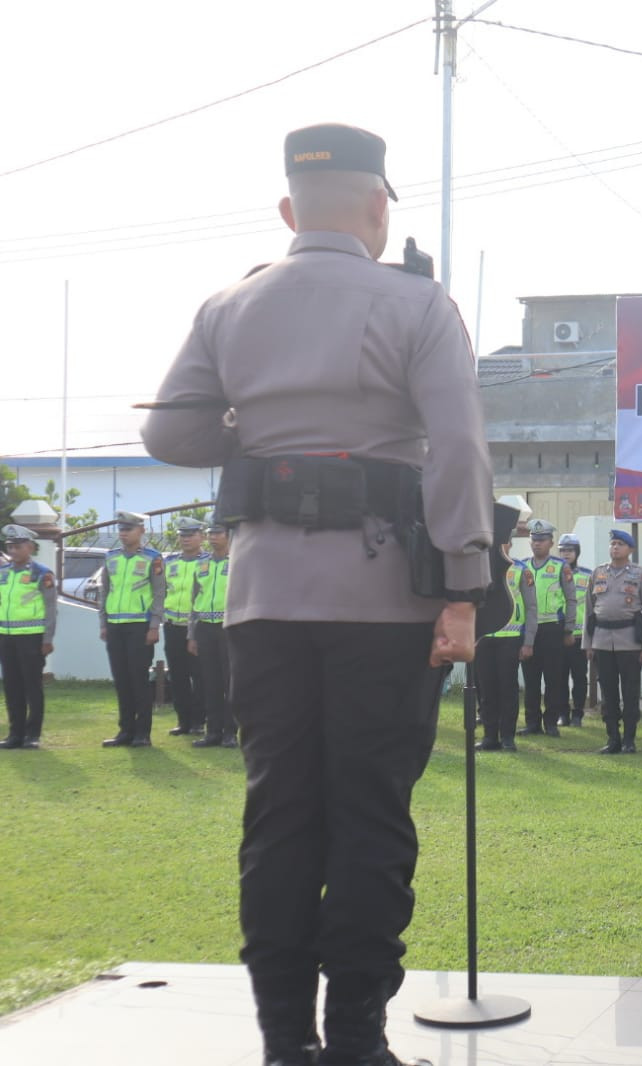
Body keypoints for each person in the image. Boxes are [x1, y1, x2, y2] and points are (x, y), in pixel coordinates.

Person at [142, 122, 490, 1066]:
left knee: (280, 815)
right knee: (371, 816)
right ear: (379, 207)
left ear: (289, 210)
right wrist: (465, 585)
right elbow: (457, 447)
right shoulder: (418, 305)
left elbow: (170, 437)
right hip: (383, 603)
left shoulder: (231, 305)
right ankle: (358, 1044)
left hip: (263, 602)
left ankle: (284, 1042)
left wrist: (258, 428)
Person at [584, 529, 642, 754]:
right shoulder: (598, 573)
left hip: (630, 643)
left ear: (630, 549)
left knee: (630, 692)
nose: (615, 547)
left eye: (620, 544)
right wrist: (588, 644)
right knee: (608, 693)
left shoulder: (640, 574)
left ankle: (629, 739)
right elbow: (589, 610)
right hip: (602, 641)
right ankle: (613, 738)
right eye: (613, 543)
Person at [98, 510, 165, 749]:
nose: (124, 533)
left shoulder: (152, 558)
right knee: (121, 679)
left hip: (140, 626)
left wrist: (154, 625)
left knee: (138, 679)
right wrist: (103, 623)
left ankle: (142, 732)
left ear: (141, 531)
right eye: (121, 529)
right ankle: (125, 730)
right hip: (115, 625)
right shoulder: (111, 557)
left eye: (129, 529)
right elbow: (105, 591)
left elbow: (159, 593)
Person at [517, 519, 576, 737]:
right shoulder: (523, 567)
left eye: (542, 540)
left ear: (551, 542)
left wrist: (569, 629)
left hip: (553, 628)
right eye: (534, 539)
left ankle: (551, 722)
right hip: (529, 632)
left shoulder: (561, 567)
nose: (537, 544)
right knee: (530, 680)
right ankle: (532, 722)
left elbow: (571, 600)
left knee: (553, 679)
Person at [0, 524, 57, 750]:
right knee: (12, 686)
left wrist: (47, 639)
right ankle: (15, 733)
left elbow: (51, 609)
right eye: (9, 546)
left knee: (32, 686)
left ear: (31, 547)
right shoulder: (3, 573)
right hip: (6, 636)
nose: (13, 550)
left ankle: (32, 734)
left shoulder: (42, 573)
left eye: (18, 546)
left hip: (32, 638)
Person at [477, 520, 530, 753]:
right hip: (484, 637)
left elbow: (532, 607)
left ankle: (507, 736)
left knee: (507, 689)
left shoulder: (520, 569)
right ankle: (490, 736)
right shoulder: (479, 567)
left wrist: (528, 641)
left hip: (510, 638)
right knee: (487, 689)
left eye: (503, 541)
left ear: (509, 544)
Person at [187, 516, 238, 748]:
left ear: (228, 535)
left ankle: (230, 732)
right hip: (205, 627)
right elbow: (194, 600)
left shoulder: (238, 562)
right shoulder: (202, 564)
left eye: (218, 533)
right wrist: (192, 634)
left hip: (229, 627)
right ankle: (212, 731)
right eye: (210, 533)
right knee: (210, 681)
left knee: (230, 681)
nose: (213, 537)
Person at [162, 515, 210, 737]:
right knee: (178, 675)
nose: (186, 539)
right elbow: (162, 591)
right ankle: (183, 720)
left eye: (190, 535)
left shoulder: (207, 563)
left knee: (199, 675)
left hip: (198, 627)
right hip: (173, 626)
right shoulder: (170, 562)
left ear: (201, 537)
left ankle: (199, 720)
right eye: (182, 535)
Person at [558, 534, 593, 726]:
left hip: (580, 636)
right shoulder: (554, 573)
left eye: (569, 550)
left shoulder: (587, 576)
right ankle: (562, 713)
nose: (566, 554)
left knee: (579, 677)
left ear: (576, 553)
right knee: (559, 677)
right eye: (562, 550)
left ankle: (578, 713)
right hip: (557, 634)